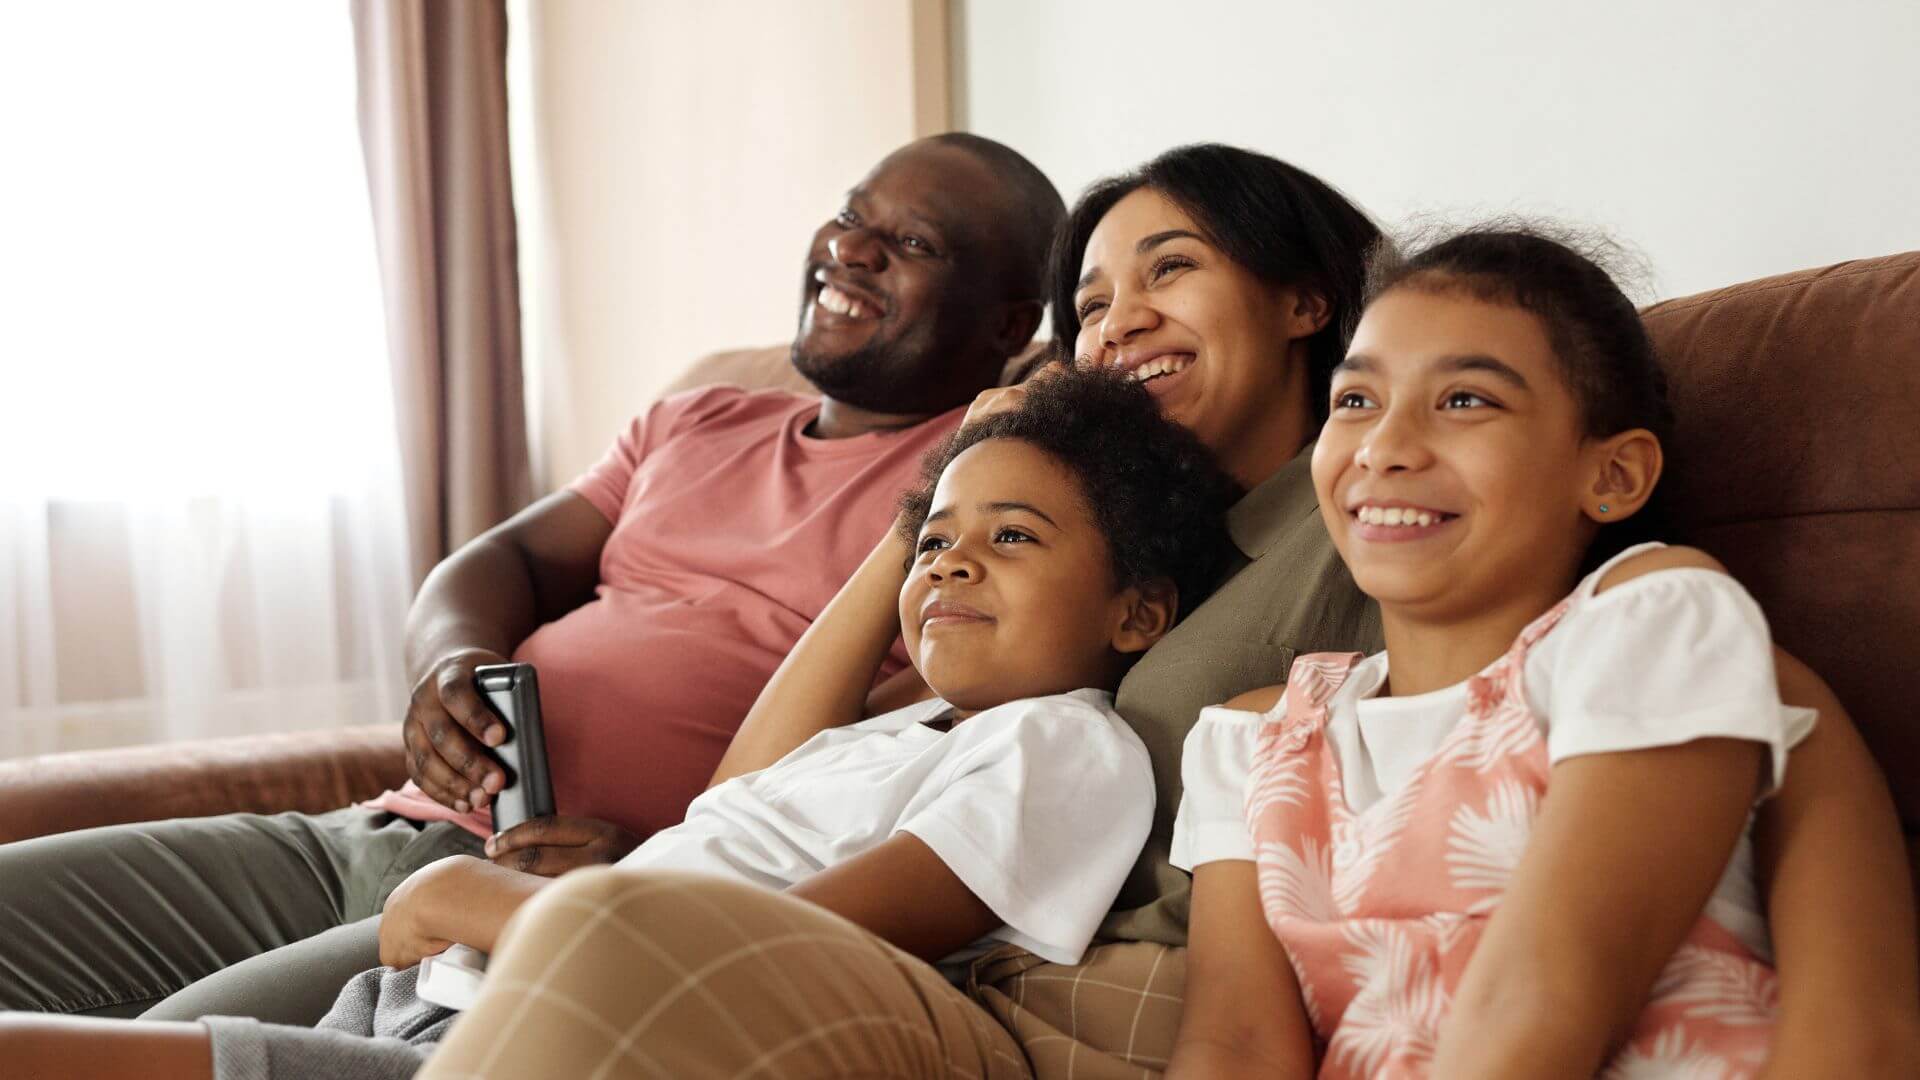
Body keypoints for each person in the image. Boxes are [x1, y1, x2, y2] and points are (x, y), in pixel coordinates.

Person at [0, 132, 1065, 1024]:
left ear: (1008, 326)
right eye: (851, 215)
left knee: (139, 1053)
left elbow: (879, 773)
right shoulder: (697, 418)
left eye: (910, 243)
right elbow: (498, 560)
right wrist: (449, 663)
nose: (850, 250)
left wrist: (664, 862)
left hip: (542, 898)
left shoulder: (968, 502)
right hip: (378, 834)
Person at [959, 145, 1916, 1076]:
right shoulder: (1252, 739)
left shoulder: (1655, 619)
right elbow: (1237, 1048)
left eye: (1463, 400)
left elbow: (1542, 1001)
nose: (1386, 446)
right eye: (1357, 401)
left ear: (1613, 472)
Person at [0, 367, 1243, 1079]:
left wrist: (477, 906)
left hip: (548, 1022)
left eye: (1010, 540)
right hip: (459, 984)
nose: (950, 568)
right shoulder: (896, 732)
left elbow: (774, 948)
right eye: (936, 545)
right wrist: (911, 540)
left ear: (1139, 613)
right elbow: (735, 798)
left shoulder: (1062, 745)